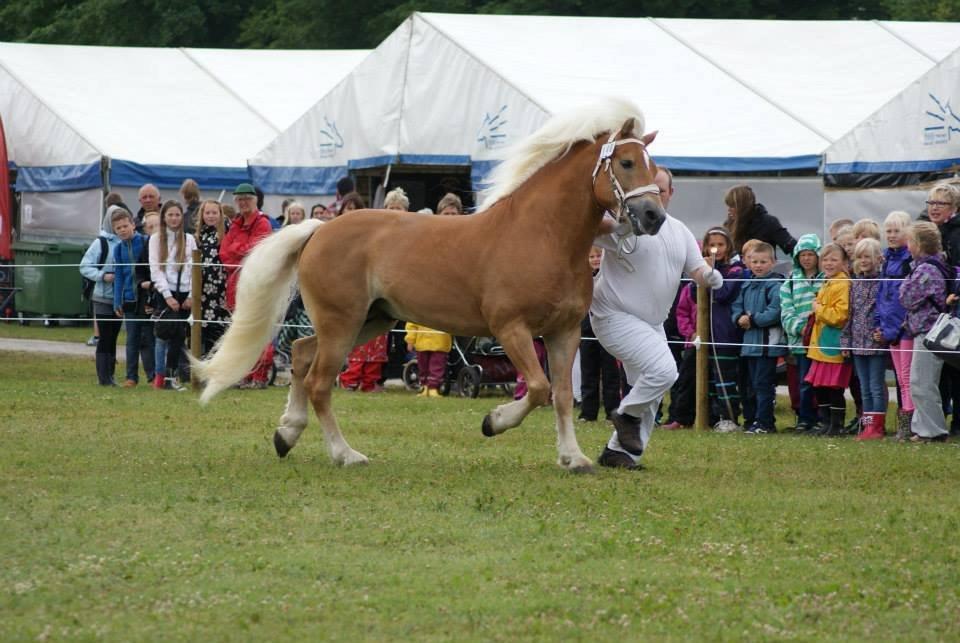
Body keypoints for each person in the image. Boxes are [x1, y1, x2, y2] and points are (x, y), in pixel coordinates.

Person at [590, 166, 724, 470]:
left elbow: (696, 269)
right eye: (649, 188)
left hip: (652, 324)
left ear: (671, 194)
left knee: (649, 391)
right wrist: (613, 223)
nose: (654, 195)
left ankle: (620, 453)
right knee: (664, 372)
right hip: (614, 315)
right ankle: (625, 414)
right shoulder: (622, 225)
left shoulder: (680, 230)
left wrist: (710, 276)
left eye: (660, 190)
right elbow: (584, 228)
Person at [899, 222, 951, 442]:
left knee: (923, 382)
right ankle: (922, 428)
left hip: (929, 333)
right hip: (926, 332)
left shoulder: (926, 270)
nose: (907, 245)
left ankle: (934, 430)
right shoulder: (929, 265)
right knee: (919, 381)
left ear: (919, 244)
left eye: (910, 241)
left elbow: (906, 297)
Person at [220, 182, 275, 389]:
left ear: (255, 200)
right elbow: (224, 253)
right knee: (241, 330)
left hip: (254, 283)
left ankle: (259, 375)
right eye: (239, 199)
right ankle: (243, 373)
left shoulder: (262, 223)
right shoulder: (235, 223)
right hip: (235, 284)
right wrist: (239, 251)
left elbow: (256, 250)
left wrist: (237, 249)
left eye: (247, 199)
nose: (243, 203)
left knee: (257, 329)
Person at [732, 241, 786, 434]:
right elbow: (736, 306)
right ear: (748, 263)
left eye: (763, 261)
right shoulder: (746, 285)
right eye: (754, 261)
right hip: (749, 346)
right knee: (750, 386)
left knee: (764, 385)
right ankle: (752, 420)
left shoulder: (776, 284)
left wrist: (753, 320)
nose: (758, 265)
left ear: (773, 262)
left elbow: (775, 312)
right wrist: (738, 318)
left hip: (767, 346)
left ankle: (765, 422)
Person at [696, 227, 745, 431]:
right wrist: (701, 275)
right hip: (707, 333)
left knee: (726, 378)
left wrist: (712, 273)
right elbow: (693, 296)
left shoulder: (736, 270)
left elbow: (723, 293)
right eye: (712, 244)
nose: (716, 248)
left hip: (726, 333)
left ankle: (730, 417)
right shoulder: (704, 267)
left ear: (729, 246)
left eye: (720, 244)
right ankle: (713, 416)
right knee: (711, 379)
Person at [840, 238, 886, 440]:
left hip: (875, 342)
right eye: (860, 257)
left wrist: (882, 332)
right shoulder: (855, 283)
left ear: (877, 258)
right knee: (864, 387)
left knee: (876, 386)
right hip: (857, 343)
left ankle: (878, 427)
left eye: (867, 256)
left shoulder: (882, 282)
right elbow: (850, 314)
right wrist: (845, 341)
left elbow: (885, 310)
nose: (863, 260)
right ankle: (867, 425)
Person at [804, 243, 852, 437]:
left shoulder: (842, 283)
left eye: (834, 259)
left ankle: (836, 425)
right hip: (820, 346)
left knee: (834, 388)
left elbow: (840, 316)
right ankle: (825, 422)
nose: (829, 263)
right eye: (825, 259)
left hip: (833, 346)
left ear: (844, 262)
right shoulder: (827, 281)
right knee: (819, 386)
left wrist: (818, 310)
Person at [923, 183, 960, 435]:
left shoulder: (956, 234)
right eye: (931, 203)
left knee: (956, 367)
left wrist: (954, 293)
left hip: (954, 306)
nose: (934, 208)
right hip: (940, 308)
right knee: (943, 368)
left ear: (954, 207)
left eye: (940, 203)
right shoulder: (934, 232)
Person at [149, 199, 196, 391]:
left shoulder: (189, 239)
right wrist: (167, 296)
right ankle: (160, 376)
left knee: (178, 336)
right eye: (170, 215)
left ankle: (171, 375)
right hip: (165, 293)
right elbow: (156, 269)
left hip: (185, 293)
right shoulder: (156, 239)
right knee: (163, 334)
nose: (174, 218)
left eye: (177, 214)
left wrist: (191, 295)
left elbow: (194, 268)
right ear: (164, 217)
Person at [875, 211, 914, 440]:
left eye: (896, 231)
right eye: (888, 231)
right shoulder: (887, 258)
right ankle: (904, 425)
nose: (891, 235)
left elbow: (903, 300)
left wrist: (895, 327)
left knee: (908, 379)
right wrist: (880, 324)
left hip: (904, 328)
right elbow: (882, 296)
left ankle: (909, 425)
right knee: (900, 379)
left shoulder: (909, 260)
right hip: (890, 329)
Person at [779, 233, 824, 432]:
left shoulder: (826, 280)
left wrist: (817, 330)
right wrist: (801, 328)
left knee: (821, 381)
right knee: (804, 381)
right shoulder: (790, 281)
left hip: (822, 340)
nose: (806, 258)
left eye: (810, 254)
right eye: (802, 255)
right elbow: (786, 310)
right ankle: (805, 418)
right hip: (800, 342)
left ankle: (823, 418)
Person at [110, 207, 154, 387]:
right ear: (114, 230)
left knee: (148, 338)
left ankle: (152, 376)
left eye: (125, 226)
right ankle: (131, 377)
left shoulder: (145, 242)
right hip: (129, 299)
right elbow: (118, 276)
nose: (122, 230)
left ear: (133, 225)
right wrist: (117, 300)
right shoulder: (118, 250)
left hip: (145, 298)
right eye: (118, 228)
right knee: (131, 339)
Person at [79, 205, 122, 385]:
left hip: (119, 298)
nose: (119, 226)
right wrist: (102, 276)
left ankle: (110, 375)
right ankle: (103, 378)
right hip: (102, 297)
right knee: (104, 337)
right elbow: (84, 266)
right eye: (115, 222)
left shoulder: (126, 241)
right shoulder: (101, 243)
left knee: (114, 337)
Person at [578, 246, 620, 422]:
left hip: (608, 329)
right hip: (587, 331)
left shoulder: (611, 278)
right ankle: (588, 413)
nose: (595, 259)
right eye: (591, 256)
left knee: (611, 373)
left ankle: (612, 411)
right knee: (588, 372)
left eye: (598, 256)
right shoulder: (581, 279)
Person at [724, 184, 796, 259]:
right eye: (728, 206)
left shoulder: (769, 222)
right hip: (736, 269)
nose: (729, 210)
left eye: (732, 206)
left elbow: (793, 247)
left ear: (742, 206)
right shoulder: (728, 225)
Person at [196, 200, 229, 356]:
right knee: (204, 327)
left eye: (214, 213)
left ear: (220, 214)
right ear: (202, 215)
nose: (211, 216)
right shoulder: (199, 234)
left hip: (221, 289)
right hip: (203, 290)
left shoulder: (226, 231)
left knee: (220, 327)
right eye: (207, 213)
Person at [404, 322, 451, 397]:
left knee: (436, 367)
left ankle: (433, 388)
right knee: (423, 367)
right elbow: (412, 324)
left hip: (439, 343)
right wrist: (410, 340)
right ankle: (425, 387)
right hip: (423, 343)